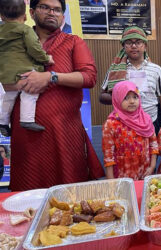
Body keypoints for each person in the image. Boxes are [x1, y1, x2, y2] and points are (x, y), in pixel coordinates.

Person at [5, 0, 104, 191]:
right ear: (31, 12)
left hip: (65, 132)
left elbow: (89, 77)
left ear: (63, 17)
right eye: (45, 7)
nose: (52, 13)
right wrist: (20, 84)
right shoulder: (13, 42)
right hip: (26, 134)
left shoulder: (73, 42)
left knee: (71, 195)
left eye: (57, 10)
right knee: (28, 196)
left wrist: (51, 77)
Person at [100, 26, 161, 134]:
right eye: (129, 42)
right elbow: (102, 96)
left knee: (152, 151)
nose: (133, 46)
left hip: (152, 121)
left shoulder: (156, 70)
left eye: (138, 42)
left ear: (145, 45)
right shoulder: (115, 70)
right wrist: (121, 98)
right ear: (123, 46)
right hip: (124, 124)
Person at [0, 0, 55, 135]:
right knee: (30, 92)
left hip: (3, 75)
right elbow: (34, 48)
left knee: (8, 97)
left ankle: (2, 122)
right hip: (22, 72)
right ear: (25, 16)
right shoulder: (25, 30)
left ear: (1, 16)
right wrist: (46, 59)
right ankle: (27, 119)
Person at [102, 81, 158, 180]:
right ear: (117, 99)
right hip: (122, 176)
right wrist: (111, 183)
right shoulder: (111, 124)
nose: (132, 101)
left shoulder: (145, 119)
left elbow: (153, 144)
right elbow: (108, 156)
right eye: (126, 98)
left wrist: (152, 167)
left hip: (145, 173)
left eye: (135, 97)